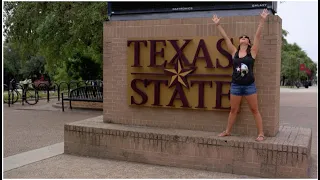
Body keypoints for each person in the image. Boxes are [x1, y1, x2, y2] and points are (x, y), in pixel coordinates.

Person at [212, 9, 269, 141]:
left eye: (245, 38)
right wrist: (218, 25)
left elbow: (258, 36)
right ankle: (227, 131)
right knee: (233, 110)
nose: (243, 38)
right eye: (241, 37)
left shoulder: (252, 53)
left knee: (255, 110)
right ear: (239, 42)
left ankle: (261, 133)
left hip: (249, 86)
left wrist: (262, 20)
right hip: (236, 86)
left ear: (248, 42)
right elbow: (226, 38)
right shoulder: (234, 53)